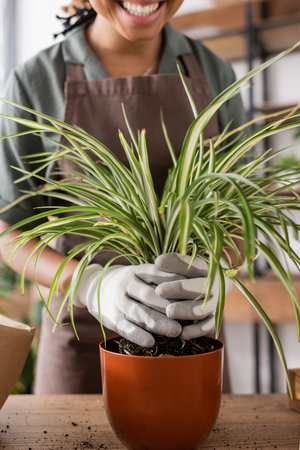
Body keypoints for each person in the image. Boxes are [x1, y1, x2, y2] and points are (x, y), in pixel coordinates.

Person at [0, 0, 245, 394]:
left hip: (190, 338)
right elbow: (9, 235)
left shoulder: (213, 73)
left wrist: (220, 273)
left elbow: (242, 215)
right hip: (79, 338)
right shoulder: (35, 81)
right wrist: (91, 285)